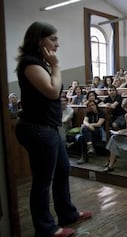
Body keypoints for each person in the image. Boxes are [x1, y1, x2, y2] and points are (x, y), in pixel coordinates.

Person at [15, 21, 91, 237]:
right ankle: (46, 228)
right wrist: (56, 66)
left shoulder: (40, 62)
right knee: (42, 181)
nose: (58, 44)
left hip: (48, 127)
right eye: (53, 39)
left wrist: (52, 66)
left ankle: (67, 214)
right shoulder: (30, 63)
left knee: (62, 171)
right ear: (40, 40)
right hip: (37, 129)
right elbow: (52, 91)